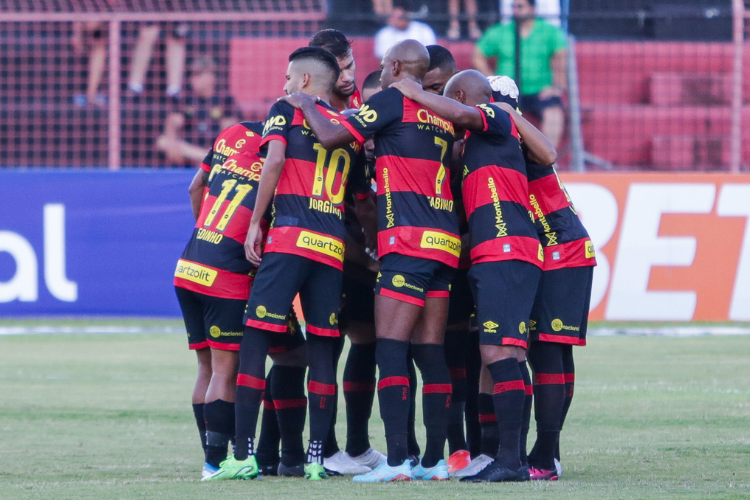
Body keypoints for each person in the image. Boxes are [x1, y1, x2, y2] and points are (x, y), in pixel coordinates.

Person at [281, 39, 460, 483]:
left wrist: (305, 101)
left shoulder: (391, 98)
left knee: (392, 350)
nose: (378, 73)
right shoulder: (440, 111)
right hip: (445, 242)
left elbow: (330, 134)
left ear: (396, 66)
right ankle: (435, 462)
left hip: (407, 241)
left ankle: (397, 463)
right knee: (431, 352)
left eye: (382, 65)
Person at [203, 46, 374, 482]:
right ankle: (317, 457)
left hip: (290, 239)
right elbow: (362, 198)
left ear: (303, 82)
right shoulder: (347, 127)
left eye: (286, 77)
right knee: (322, 351)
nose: (282, 86)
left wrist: (257, 221)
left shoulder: (287, 109)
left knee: (256, 341)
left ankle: (242, 456)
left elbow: (274, 161)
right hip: (331, 249)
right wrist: (371, 247)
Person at [390, 69, 557, 482]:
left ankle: (510, 460)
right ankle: (511, 457)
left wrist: (412, 91)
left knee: (498, 354)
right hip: (497, 254)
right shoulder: (479, 146)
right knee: (509, 355)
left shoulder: (494, 117)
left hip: (507, 250)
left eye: (451, 101)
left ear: (463, 97)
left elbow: (460, 115)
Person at [174, 120, 306, 479]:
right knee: (225, 372)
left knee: (210, 368)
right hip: (228, 275)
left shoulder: (233, 134)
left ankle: (222, 459)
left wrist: (209, 236)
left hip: (190, 264)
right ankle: (216, 463)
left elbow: (194, 187)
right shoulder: (291, 155)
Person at [487, 75, 596, 481]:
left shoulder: (511, 140)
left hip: (558, 251)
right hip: (569, 248)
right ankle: (548, 452)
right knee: (557, 355)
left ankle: (545, 457)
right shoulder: (517, 136)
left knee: (547, 356)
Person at [473, 0, 567, 148]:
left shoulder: (548, 31)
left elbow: (560, 57)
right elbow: (478, 54)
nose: (516, 10)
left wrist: (557, 87)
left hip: (540, 91)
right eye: (514, 6)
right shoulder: (500, 31)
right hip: (506, 91)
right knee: (493, 111)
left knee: (554, 112)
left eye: (520, 6)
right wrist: (490, 81)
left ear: (533, 8)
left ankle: (545, 158)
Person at [157, 56, 239, 167]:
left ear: (211, 76)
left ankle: (207, 158)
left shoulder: (225, 99)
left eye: (198, 74)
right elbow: (172, 124)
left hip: (214, 146)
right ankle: (205, 158)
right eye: (192, 75)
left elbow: (230, 132)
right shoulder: (186, 98)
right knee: (163, 142)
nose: (193, 79)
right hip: (191, 148)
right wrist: (173, 143)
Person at [127, 22, 188, 97]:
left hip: (175, 22)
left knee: (177, 38)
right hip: (150, 20)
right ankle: (134, 86)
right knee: (148, 34)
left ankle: (174, 90)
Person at [310, 29, 363, 112]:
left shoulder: (348, 88)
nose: (347, 77)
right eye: (337, 72)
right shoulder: (317, 114)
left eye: (349, 66)